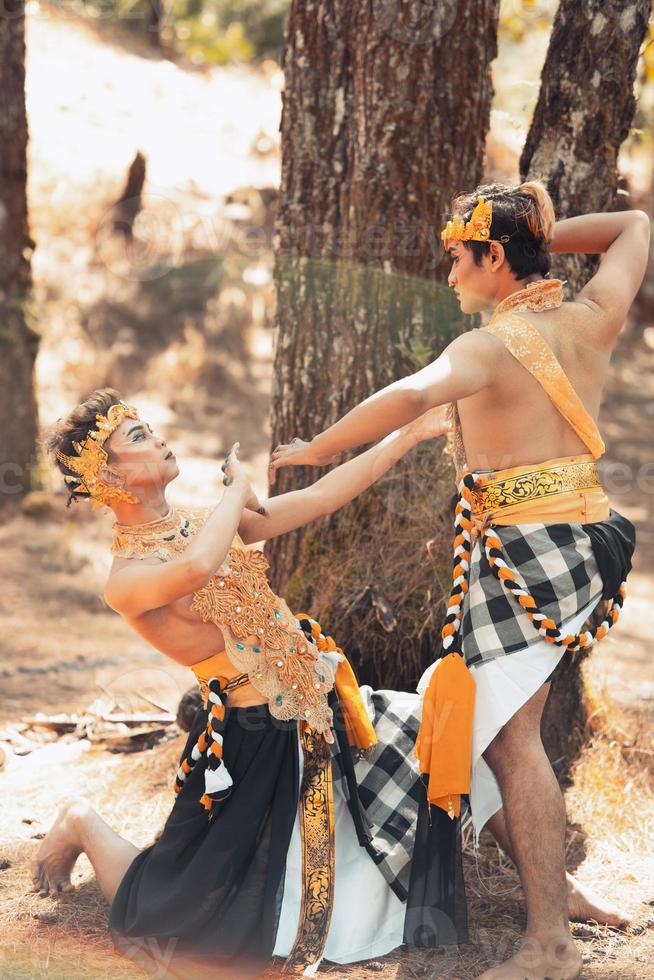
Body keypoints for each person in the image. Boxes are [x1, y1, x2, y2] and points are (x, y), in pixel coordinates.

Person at [270, 181, 649, 980]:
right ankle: (561, 891)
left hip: (522, 555)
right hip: (581, 543)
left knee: (513, 741)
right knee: (495, 731)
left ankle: (550, 945)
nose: (447, 273)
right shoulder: (594, 317)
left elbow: (409, 394)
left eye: (457, 256)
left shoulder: (489, 349)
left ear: (496, 257)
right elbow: (633, 226)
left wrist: (314, 449)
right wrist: (546, 230)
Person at [36, 388, 464, 978]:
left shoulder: (198, 523)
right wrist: (236, 492)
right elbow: (194, 568)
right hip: (253, 740)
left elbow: (317, 498)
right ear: (107, 476)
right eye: (136, 438)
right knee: (177, 912)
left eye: (150, 428)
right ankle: (82, 821)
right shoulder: (127, 579)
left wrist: (408, 435)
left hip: (321, 713)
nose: (156, 438)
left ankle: (552, 894)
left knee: (453, 734)